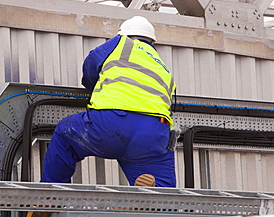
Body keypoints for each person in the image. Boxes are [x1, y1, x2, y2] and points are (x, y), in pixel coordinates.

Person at [41, 16, 176, 187]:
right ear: (152, 42)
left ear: (124, 33)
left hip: (113, 122)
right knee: (163, 194)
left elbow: (90, 67)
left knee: (64, 132)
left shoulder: (121, 42)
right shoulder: (163, 66)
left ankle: (52, 195)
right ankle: (154, 202)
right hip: (154, 132)